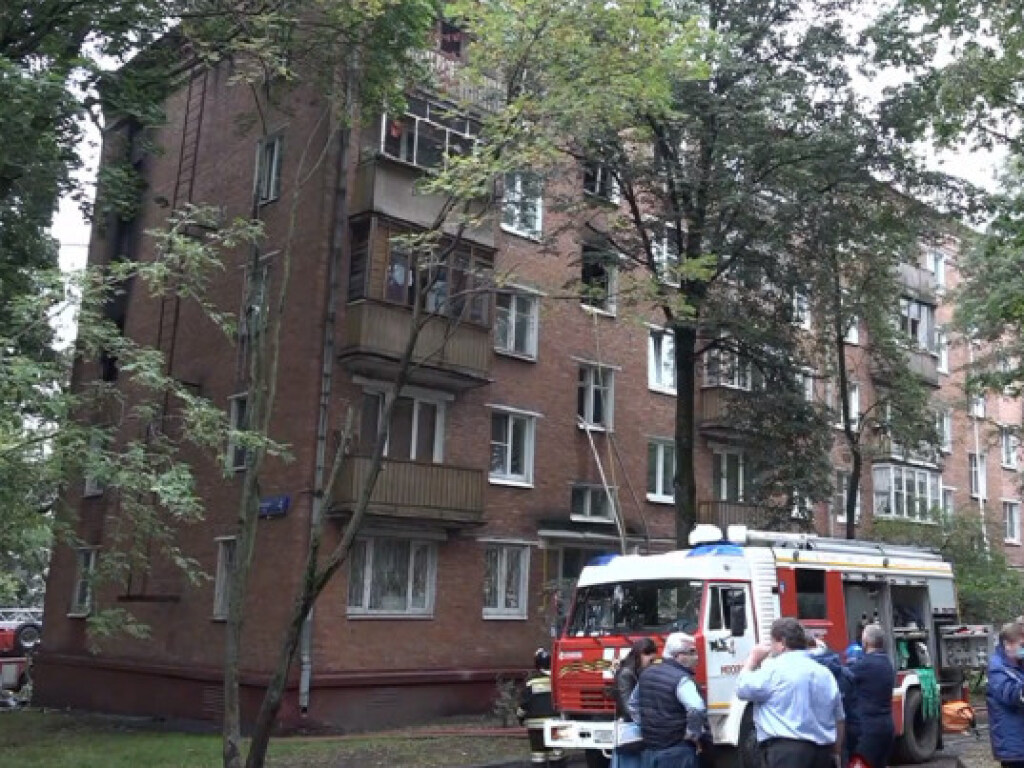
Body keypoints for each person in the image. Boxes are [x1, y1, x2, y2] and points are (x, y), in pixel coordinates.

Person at [735, 617, 844, 768]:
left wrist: (752, 660)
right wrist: (836, 753)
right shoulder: (825, 673)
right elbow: (839, 718)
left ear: (782, 642)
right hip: (822, 753)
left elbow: (742, 688)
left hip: (786, 753)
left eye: (772, 642)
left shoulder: (773, 670)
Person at [627, 632, 708, 768]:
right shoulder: (682, 679)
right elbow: (697, 708)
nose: (696, 657)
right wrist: (692, 734)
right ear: (678, 656)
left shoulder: (646, 674)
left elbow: (633, 705)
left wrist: (647, 727)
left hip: (650, 749)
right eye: (692, 652)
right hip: (677, 751)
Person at [808, 632, 860, 766]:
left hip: (810, 743)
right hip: (840, 738)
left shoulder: (800, 674)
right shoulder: (845, 674)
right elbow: (851, 714)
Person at [848, 623, 895, 768]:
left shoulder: (865, 665)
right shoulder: (887, 662)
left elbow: (843, 676)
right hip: (886, 726)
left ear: (866, 641)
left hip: (868, 730)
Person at [612, 638, 658, 768]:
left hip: (634, 728)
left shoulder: (635, 671)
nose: (651, 664)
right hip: (630, 729)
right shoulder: (626, 674)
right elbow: (628, 707)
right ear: (641, 654)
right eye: (650, 660)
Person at [517, 648, 566, 766]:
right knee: (557, 754)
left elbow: (524, 705)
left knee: (538, 756)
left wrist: (520, 718)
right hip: (556, 724)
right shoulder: (558, 680)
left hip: (536, 728)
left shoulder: (531, 682)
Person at [987, 622, 1024, 768]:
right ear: (1007, 644)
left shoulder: (1018, 663)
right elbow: (1013, 695)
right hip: (1014, 748)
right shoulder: (997, 669)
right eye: (1022, 645)